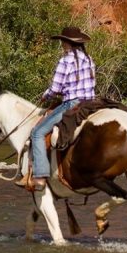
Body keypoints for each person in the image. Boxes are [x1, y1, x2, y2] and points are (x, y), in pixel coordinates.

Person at [22, 26, 96, 190]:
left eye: (62, 41)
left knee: (37, 133)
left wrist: (46, 95)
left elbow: (56, 88)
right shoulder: (89, 59)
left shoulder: (66, 60)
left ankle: (40, 176)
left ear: (66, 42)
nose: (62, 44)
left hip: (73, 104)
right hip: (90, 104)